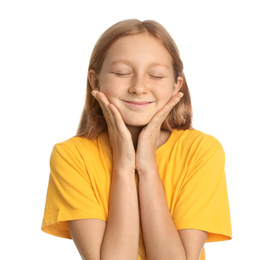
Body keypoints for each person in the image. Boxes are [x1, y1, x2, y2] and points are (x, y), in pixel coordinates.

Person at [41, 19, 232, 260]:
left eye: (156, 75)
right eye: (122, 72)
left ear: (176, 86)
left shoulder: (202, 151)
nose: (139, 87)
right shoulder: (71, 155)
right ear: (95, 80)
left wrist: (148, 167)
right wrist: (122, 165)